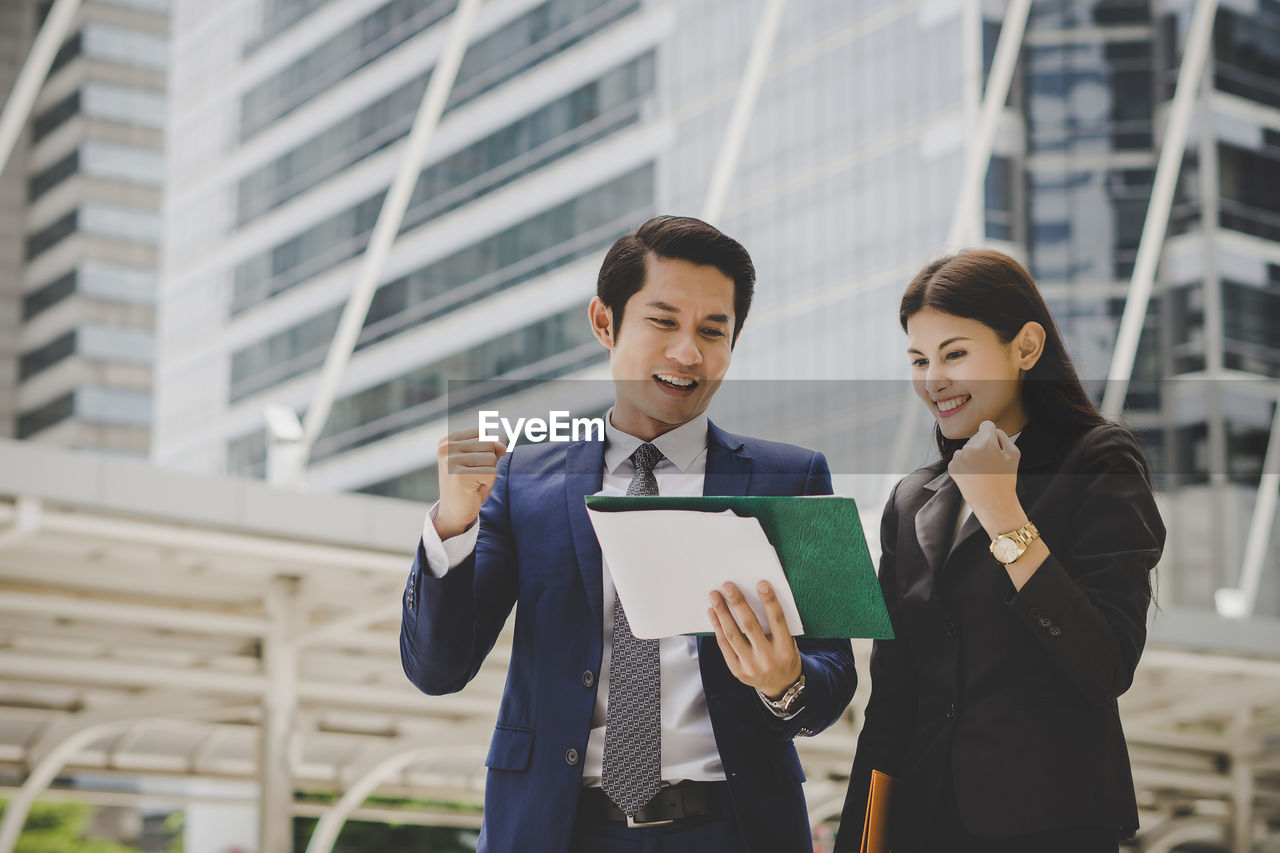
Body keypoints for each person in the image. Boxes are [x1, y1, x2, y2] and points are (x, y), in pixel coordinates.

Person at [401, 215, 858, 853]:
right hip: (554, 830)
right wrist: (452, 524)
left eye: (712, 331)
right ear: (605, 323)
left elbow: (837, 675)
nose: (687, 353)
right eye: (663, 322)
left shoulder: (799, 475)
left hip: (734, 830)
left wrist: (786, 681)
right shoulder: (519, 480)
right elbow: (437, 670)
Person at [834, 249, 1166, 853]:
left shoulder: (1097, 462)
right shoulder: (912, 500)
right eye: (919, 359)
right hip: (924, 824)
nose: (933, 379)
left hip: (1051, 823)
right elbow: (892, 704)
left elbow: (1105, 664)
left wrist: (1002, 515)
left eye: (955, 353)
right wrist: (860, 842)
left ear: (1026, 347)